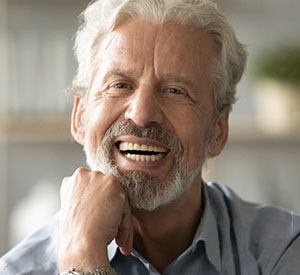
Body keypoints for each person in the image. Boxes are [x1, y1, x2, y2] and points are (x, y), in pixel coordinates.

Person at [1, 0, 300, 274]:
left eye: (175, 91)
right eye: (120, 85)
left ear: (218, 129)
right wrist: (82, 251)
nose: (142, 114)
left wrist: (84, 263)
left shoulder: (283, 251)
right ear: (80, 117)